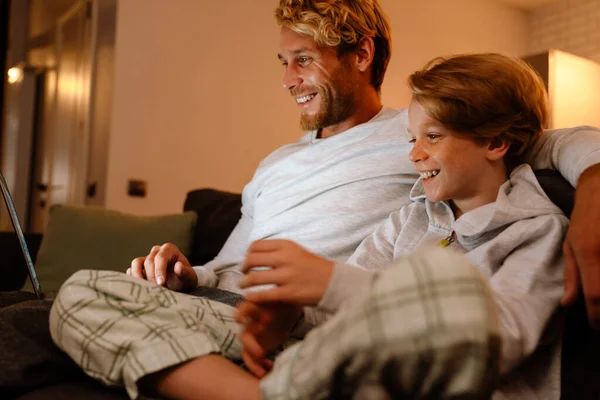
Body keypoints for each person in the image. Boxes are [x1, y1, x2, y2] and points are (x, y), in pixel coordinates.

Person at [48, 0, 600, 398]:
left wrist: (595, 182)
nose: (288, 79)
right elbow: (240, 265)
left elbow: (549, 137)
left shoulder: (436, 137)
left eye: (303, 60)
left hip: (366, 350)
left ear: (360, 55)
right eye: (282, 62)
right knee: (78, 295)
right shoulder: (401, 199)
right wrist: (195, 275)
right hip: (264, 317)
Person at [238, 53, 567, 399]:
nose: (415, 154)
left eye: (434, 136)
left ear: (496, 143)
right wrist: (294, 314)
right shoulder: (410, 219)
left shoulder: (536, 231)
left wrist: (334, 283)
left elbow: (496, 342)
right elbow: (345, 306)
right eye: (413, 139)